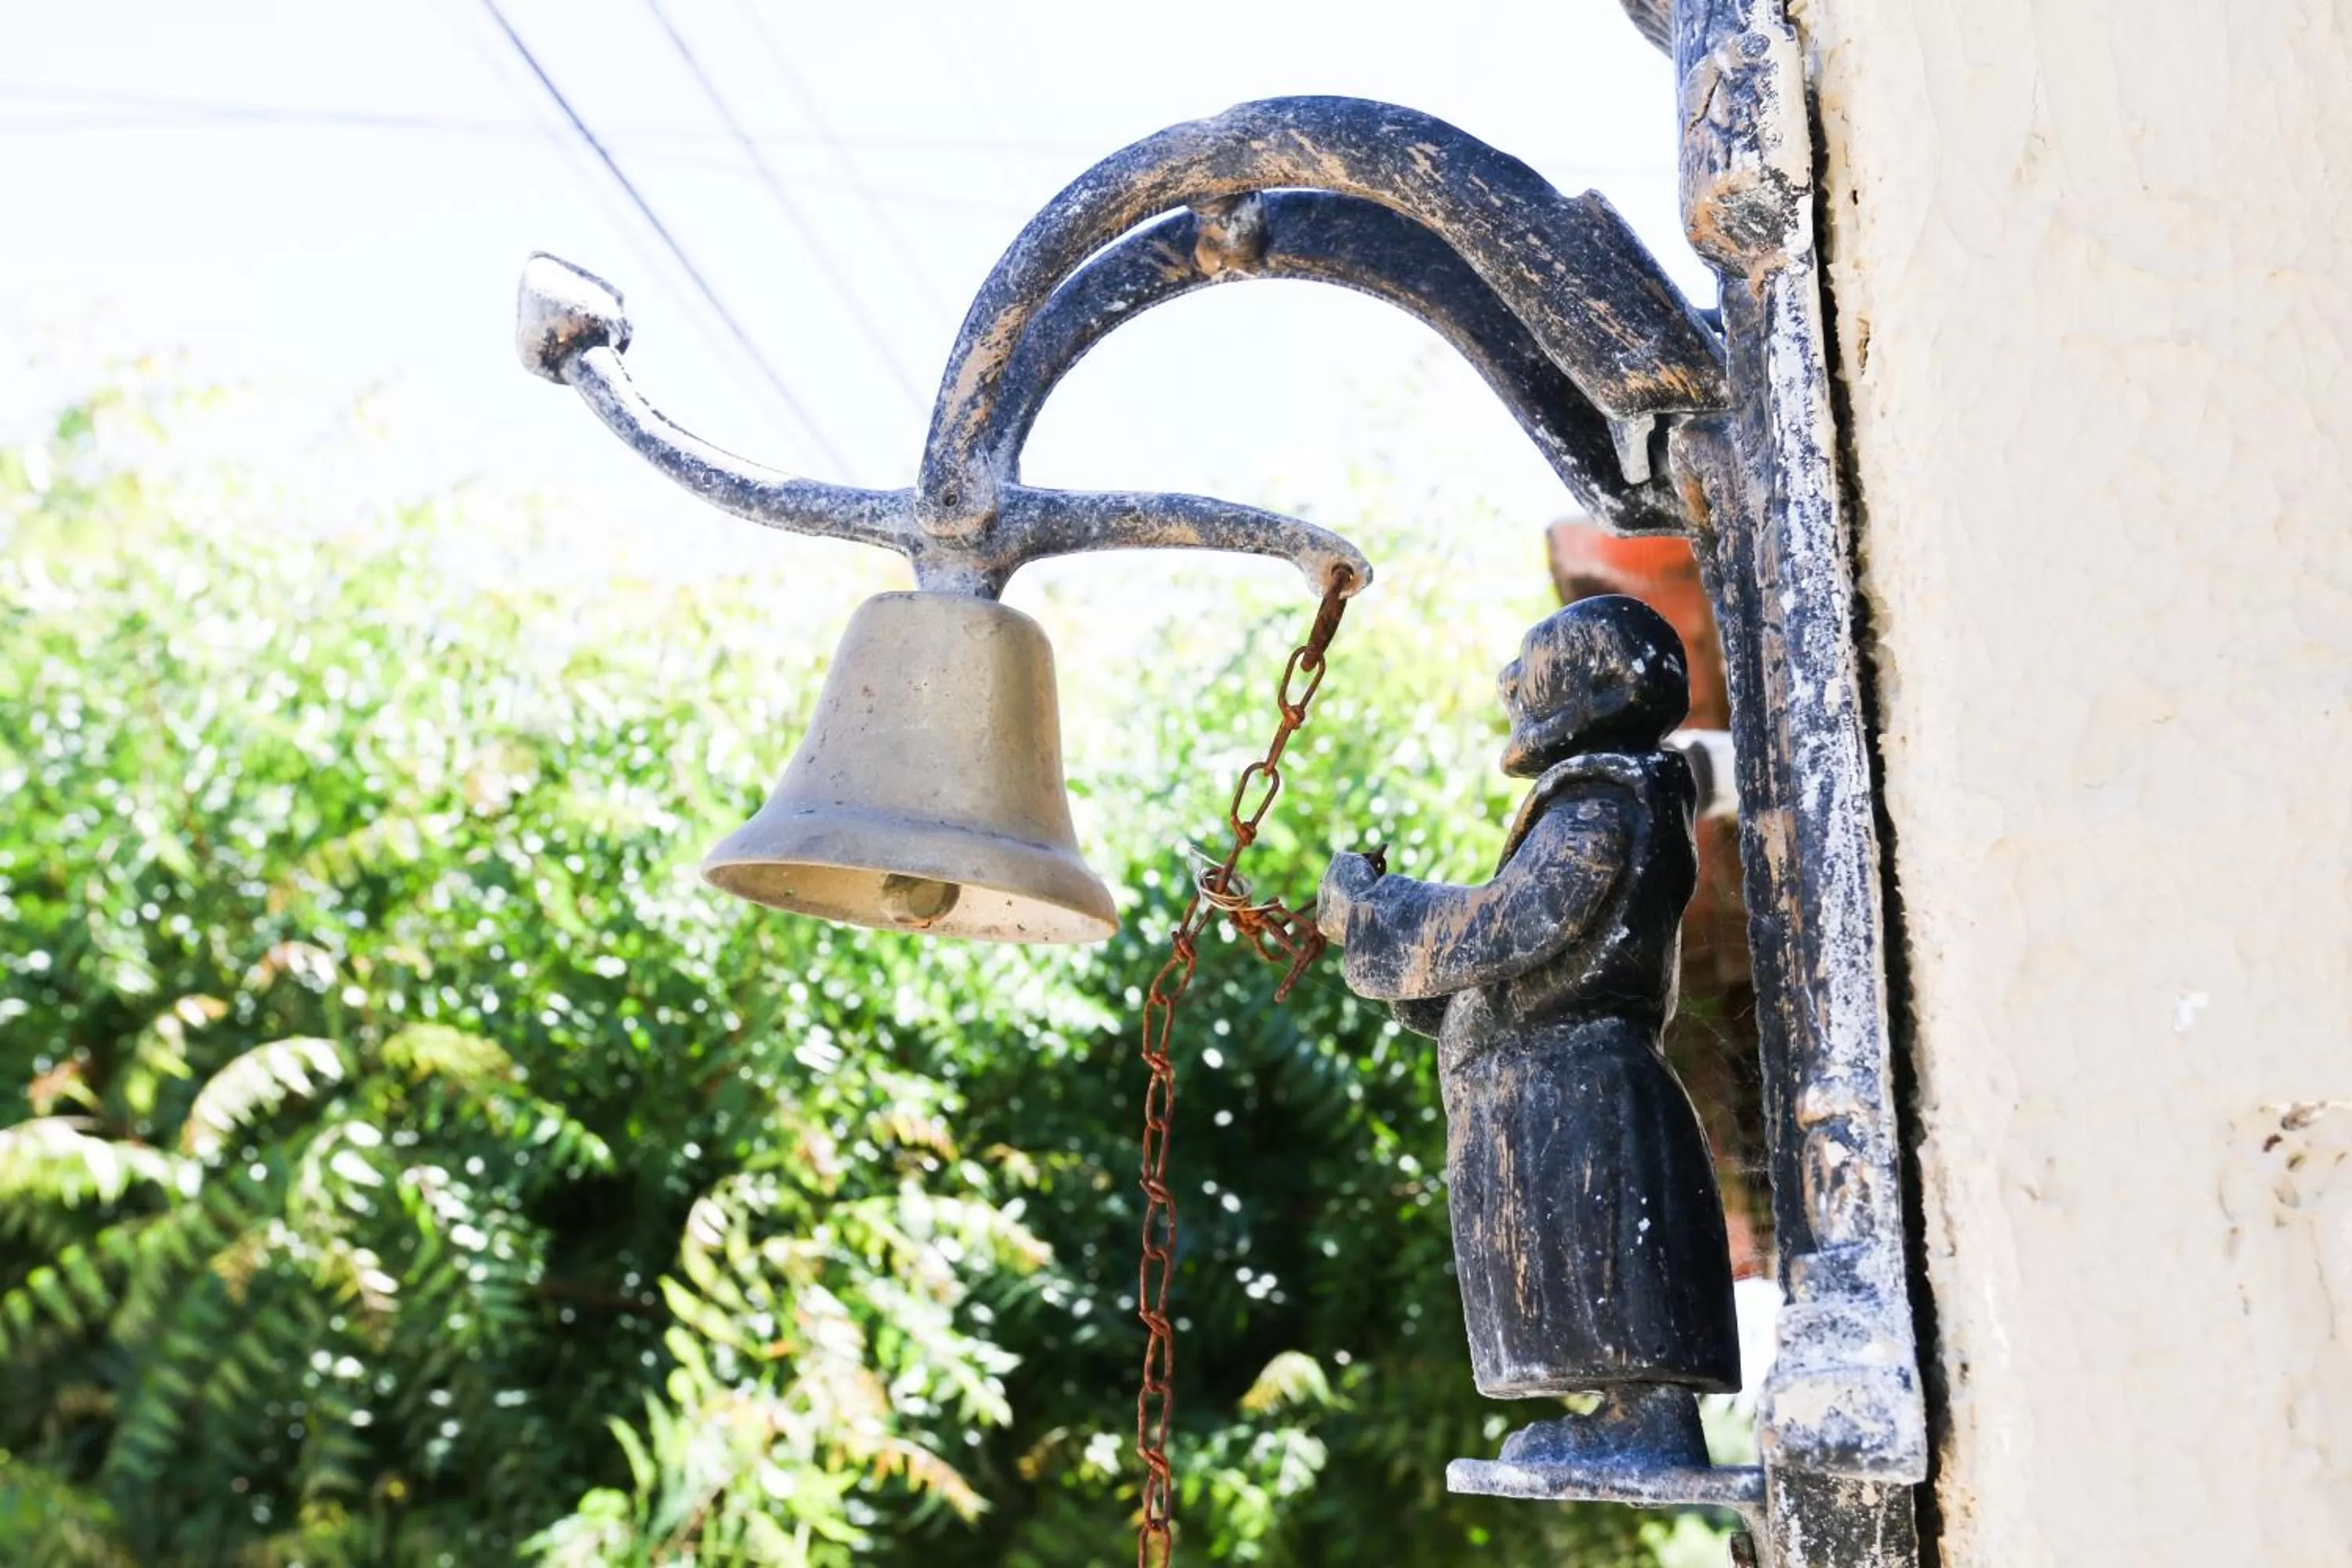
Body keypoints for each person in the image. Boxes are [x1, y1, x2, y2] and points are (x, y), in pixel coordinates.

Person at [1317, 594, 1740, 1401]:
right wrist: (1431, 992)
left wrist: (1374, 909)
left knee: (1607, 1265)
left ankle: (1647, 1419)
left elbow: (1511, 920)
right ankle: (1622, 1417)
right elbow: (1514, 969)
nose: (1511, 681)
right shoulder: (1597, 799)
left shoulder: (1607, 801)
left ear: (1605, 686)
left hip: (1577, 1089)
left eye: (1535, 660)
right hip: (1543, 1088)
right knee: (1572, 1272)